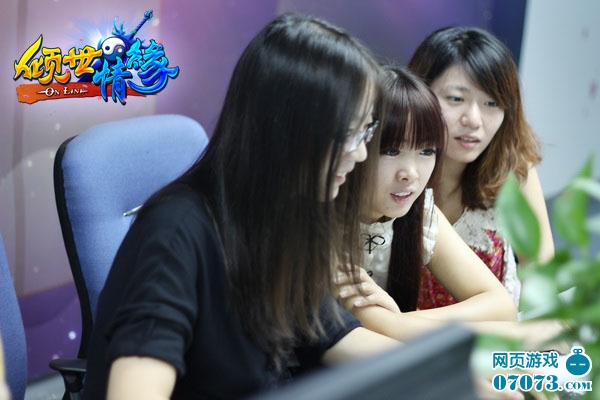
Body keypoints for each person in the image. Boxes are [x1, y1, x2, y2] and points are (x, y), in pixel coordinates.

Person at [82, 13, 398, 400]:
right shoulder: (175, 235)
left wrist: (448, 370)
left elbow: (331, 335)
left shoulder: (283, 210)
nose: (361, 153)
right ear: (286, 132)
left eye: (365, 130)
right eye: (349, 133)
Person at [336, 65, 517, 342]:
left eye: (426, 151)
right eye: (391, 151)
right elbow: (374, 327)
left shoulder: (422, 211)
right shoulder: (324, 220)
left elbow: (502, 307)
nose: (410, 173)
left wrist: (401, 320)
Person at [407, 26, 554, 310]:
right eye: (456, 99)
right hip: (400, 335)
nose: (473, 120)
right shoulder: (391, 170)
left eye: (491, 103)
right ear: (419, 93)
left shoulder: (512, 170)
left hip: (497, 331)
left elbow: (541, 275)